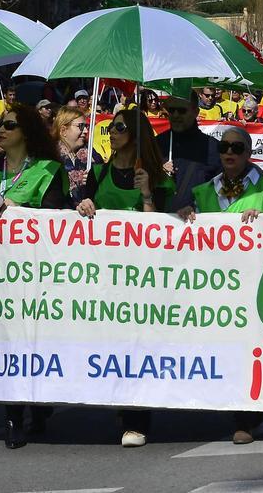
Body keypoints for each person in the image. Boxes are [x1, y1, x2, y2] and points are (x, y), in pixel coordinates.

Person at [0, 103, 70, 449]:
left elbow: (57, 216)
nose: (0, 131)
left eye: (9, 125)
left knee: (31, 341)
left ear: (27, 132)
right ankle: (13, 417)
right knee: (8, 342)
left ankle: (37, 405)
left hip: (34, 272)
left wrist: (20, 212)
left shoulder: (49, 170)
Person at [75, 109, 174, 448]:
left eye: (118, 128)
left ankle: (136, 418)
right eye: (109, 128)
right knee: (110, 343)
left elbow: (163, 232)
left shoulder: (157, 176)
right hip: (103, 276)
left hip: (142, 278)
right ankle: (123, 402)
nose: (111, 133)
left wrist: (147, 195)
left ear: (135, 134)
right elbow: (82, 212)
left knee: (137, 344)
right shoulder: (97, 173)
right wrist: (85, 205)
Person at [182, 125, 263, 445]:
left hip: (252, 285)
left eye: (237, 148)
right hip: (214, 287)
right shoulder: (204, 191)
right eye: (225, 147)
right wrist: (184, 214)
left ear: (248, 153)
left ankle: (247, 419)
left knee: (247, 352)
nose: (229, 152)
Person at [158, 92, 220, 211]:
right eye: (171, 110)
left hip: (197, 225)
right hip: (159, 224)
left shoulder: (212, 147)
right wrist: (156, 171)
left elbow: (222, 192)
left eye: (182, 110)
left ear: (195, 112)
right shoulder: (156, 144)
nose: (175, 115)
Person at [53, 106, 92, 205]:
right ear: (63, 130)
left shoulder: (91, 155)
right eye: (81, 126)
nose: (86, 131)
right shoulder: (51, 158)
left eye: (86, 127)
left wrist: (93, 181)